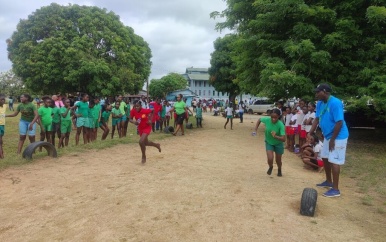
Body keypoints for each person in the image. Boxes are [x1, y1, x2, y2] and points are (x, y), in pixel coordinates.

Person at [308, 83, 349, 197]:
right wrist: (310, 132)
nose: (316, 94)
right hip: (328, 136)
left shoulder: (335, 103)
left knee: (335, 160)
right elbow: (317, 118)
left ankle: (335, 189)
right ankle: (328, 181)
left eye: (318, 92)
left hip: (338, 137)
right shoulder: (320, 103)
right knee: (325, 157)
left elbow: (339, 122)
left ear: (325, 92)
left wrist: (333, 140)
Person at [253, 109, 286, 176]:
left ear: (278, 116)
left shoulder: (280, 125)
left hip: (278, 143)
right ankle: (270, 167)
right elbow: (259, 119)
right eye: (272, 117)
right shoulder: (267, 120)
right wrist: (255, 130)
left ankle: (279, 169)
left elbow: (283, 139)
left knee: (278, 160)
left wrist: (276, 136)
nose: (273, 119)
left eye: (275, 117)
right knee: (270, 158)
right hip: (269, 142)